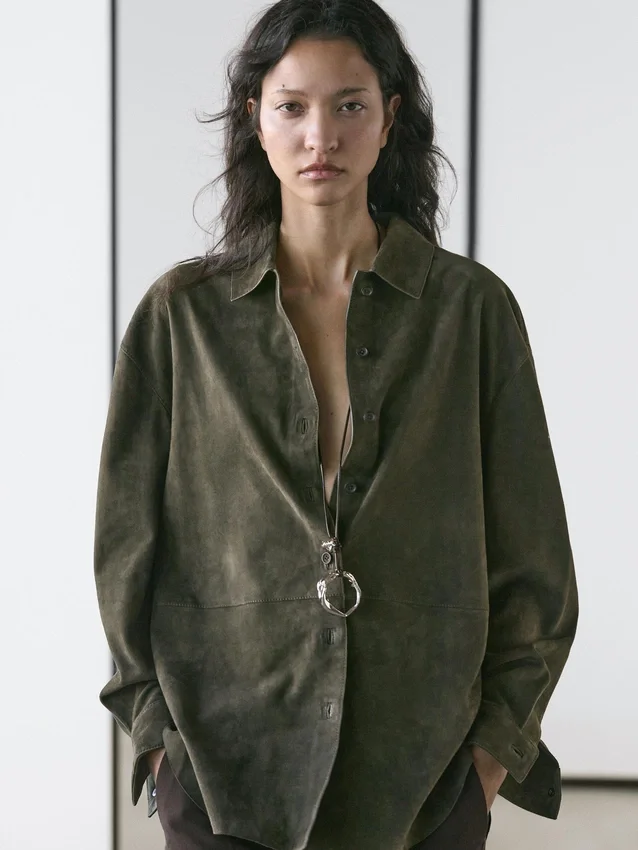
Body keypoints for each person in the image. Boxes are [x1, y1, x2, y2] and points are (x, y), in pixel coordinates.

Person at [93, 1, 579, 848]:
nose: (321, 135)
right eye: (293, 106)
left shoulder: (471, 312)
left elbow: (535, 565)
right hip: (220, 774)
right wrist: (159, 744)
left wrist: (490, 760)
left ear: (390, 117)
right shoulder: (182, 317)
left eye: (350, 104)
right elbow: (125, 551)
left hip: (424, 782)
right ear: (257, 119)